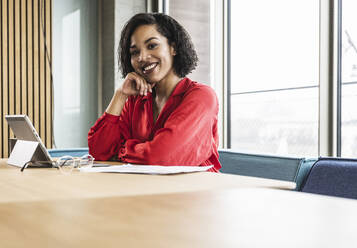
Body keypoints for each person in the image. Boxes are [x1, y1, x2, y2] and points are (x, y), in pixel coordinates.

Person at [88, 13, 221, 172]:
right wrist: (120, 95)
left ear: (173, 47)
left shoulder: (202, 96)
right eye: (134, 52)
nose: (142, 57)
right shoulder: (135, 100)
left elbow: (161, 157)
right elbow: (99, 151)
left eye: (152, 46)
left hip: (195, 192)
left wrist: (120, 150)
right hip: (147, 190)